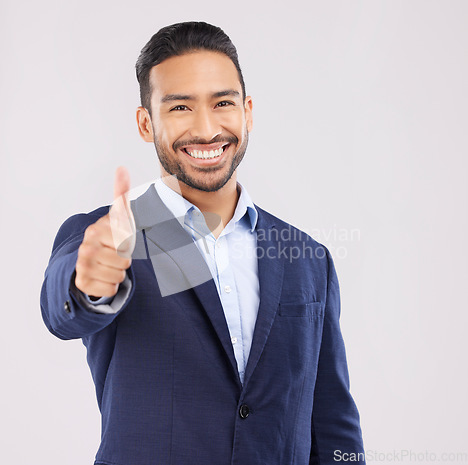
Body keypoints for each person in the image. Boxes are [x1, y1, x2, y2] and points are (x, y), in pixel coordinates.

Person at [40, 21, 366, 465]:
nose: (207, 129)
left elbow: (333, 420)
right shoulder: (116, 233)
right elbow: (64, 307)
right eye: (179, 108)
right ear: (145, 122)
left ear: (247, 112)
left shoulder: (306, 257)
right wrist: (90, 283)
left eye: (223, 103)